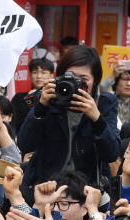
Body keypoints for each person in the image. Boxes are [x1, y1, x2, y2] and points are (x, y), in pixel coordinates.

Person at [18, 45, 120, 204]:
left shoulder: (104, 103)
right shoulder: (46, 98)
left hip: (86, 193)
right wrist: (40, 107)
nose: (76, 84)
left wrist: (96, 118)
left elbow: (111, 154)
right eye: (70, 77)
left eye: (83, 80)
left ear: (96, 81)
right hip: (45, 189)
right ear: (58, 77)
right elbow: (25, 144)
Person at [11, 57, 54, 134]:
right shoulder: (19, 98)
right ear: (30, 75)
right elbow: (16, 123)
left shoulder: (54, 97)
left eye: (43, 72)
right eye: (35, 72)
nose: (39, 76)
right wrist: (31, 99)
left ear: (51, 76)